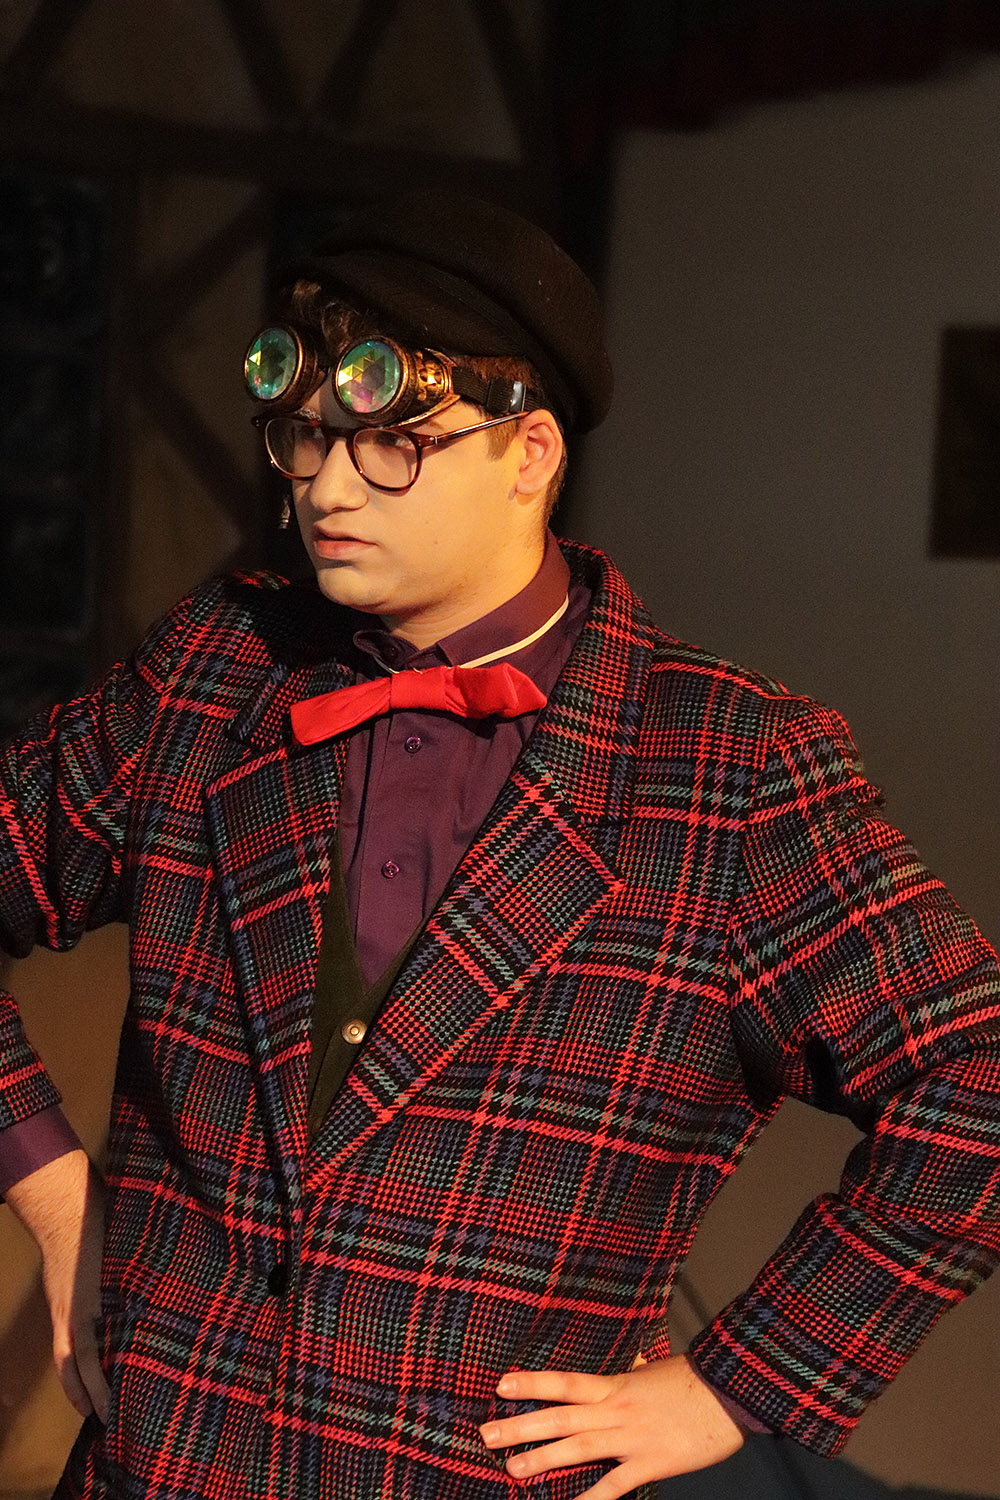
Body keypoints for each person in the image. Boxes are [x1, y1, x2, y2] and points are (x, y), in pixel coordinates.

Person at [0, 189, 998, 1500]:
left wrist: (739, 1384)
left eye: (391, 444)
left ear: (528, 454)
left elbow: (976, 1074)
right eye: (306, 440)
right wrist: (55, 1193)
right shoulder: (217, 670)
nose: (327, 487)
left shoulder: (730, 767)